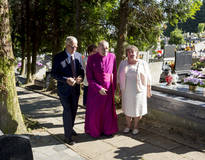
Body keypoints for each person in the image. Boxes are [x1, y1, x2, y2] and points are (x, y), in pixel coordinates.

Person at [51, 36, 84, 145]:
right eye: (72, 46)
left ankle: (70, 128)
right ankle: (67, 137)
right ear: (66, 45)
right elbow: (54, 74)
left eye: (76, 46)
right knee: (68, 110)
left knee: (74, 110)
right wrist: (66, 79)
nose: (75, 48)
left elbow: (82, 71)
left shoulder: (79, 56)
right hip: (64, 90)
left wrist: (80, 78)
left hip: (76, 89)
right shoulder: (58, 57)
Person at [85, 40, 118, 138]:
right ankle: (95, 131)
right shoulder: (91, 58)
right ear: (98, 48)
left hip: (109, 89)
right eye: (103, 48)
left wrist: (114, 87)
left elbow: (114, 73)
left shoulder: (112, 56)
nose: (105, 50)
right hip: (95, 90)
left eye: (107, 47)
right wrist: (98, 88)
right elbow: (89, 77)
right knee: (96, 112)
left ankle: (108, 130)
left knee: (108, 111)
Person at [117, 45, 151, 135]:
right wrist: (120, 89)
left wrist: (148, 89)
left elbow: (148, 78)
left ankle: (136, 126)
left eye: (133, 51)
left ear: (137, 53)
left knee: (137, 109)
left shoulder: (143, 63)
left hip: (139, 91)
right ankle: (128, 126)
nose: (131, 53)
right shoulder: (123, 63)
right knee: (127, 108)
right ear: (127, 54)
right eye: (129, 52)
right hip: (126, 91)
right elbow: (118, 76)